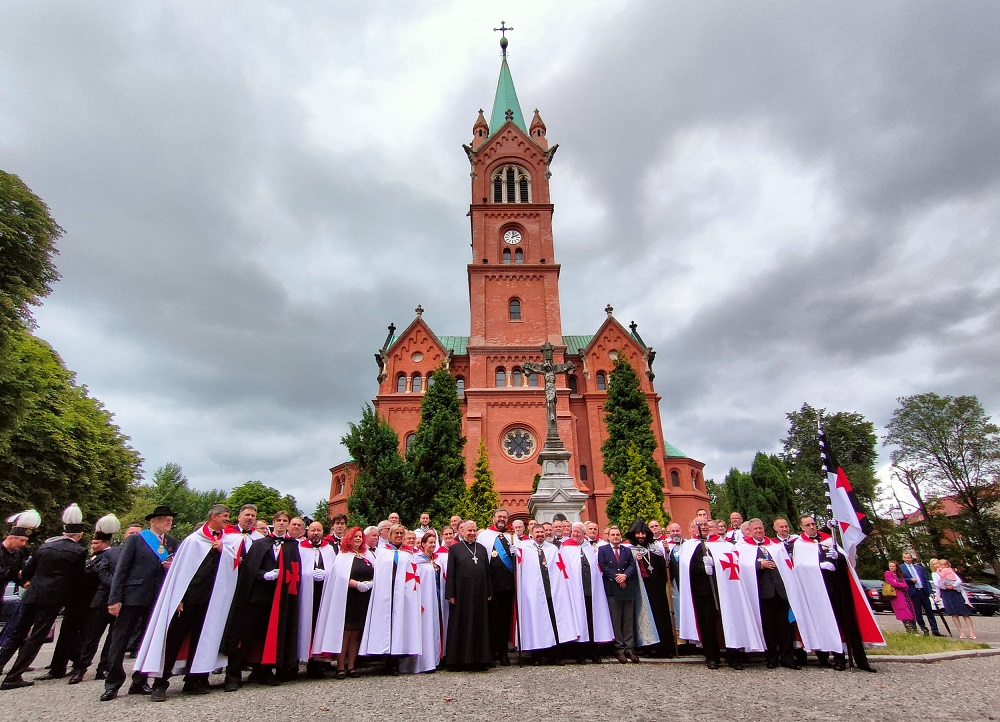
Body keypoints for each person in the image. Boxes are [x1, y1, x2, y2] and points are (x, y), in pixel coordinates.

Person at [138, 505, 239, 701]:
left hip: (210, 601)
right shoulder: (193, 541)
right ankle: (161, 683)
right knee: (174, 640)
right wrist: (179, 598)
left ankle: (194, 680)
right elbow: (181, 572)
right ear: (214, 517)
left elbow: (233, 564)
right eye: (225, 516)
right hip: (189, 600)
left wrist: (223, 551)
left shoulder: (225, 541)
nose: (228, 520)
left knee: (202, 640)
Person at [0, 504, 88, 690]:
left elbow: (28, 571)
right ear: (78, 536)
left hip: (32, 595)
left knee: (17, 633)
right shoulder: (79, 552)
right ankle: (13, 676)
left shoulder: (45, 547)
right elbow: (78, 579)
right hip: (53, 599)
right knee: (37, 636)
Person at [100, 504, 179, 701]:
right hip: (132, 595)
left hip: (157, 597)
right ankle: (113, 683)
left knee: (148, 640)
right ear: (153, 521)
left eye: (170, 519)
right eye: (164, 518)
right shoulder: (136, 539)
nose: (168, 521)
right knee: (120, 640)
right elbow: (121, 570)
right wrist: (115, 598)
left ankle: (140, 680)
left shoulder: (172, 542)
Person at [222, 510, 301, 689]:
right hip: (257, 597)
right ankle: (233, 675)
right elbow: (249, 570)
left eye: (284, 520)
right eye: (278, 520)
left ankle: (265, 671)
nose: (281, 523)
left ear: (288, 524)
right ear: (274, 522)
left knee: (270, 636)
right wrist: (264, 575)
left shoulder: (291, 546)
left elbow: (296, 572)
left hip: (279, 598)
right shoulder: (259, 543)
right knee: (246, 634)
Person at [791, 516, 878, 672]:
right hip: (817, 590)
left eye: (813, 524)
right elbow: (800, 567)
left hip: (836, 586)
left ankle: (860, 660)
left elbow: (846, 558)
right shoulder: (800, 544)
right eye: (808, 525)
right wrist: (818, 565)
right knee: (828, 623)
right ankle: (838, 658)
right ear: (802, 527)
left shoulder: (828, 538)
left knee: (846, 621)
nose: (811, 527)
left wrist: (839, 556)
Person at [312, 526, 374, 678]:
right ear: (349, 539)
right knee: (345, 632)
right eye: (355, 536)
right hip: (347, 598)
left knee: (356, 633)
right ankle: (340, 666)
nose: (358, 539)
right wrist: (356, 584)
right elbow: (339, 577)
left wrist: (370, 584)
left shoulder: (368, 555)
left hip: (363, 598)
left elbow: (378, 572)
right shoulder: (342, 556)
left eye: (360, 537)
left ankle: (351, 666)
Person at [359, 523, 420, 674]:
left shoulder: (408, 554)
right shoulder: (383, 553)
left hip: (402, 597)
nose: (399, 536)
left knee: (399, 624)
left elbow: (412, 576)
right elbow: (379, 573)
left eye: (401, 533)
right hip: (385, 595)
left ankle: (395, 661)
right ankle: (385, 659)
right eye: (396, 533)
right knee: (385, 624)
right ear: (390, 535)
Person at [738, 519, 800, 669]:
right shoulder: (743, 547)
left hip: (780, 591)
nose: (758, 531)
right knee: (768, 628)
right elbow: (741, 566)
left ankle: (787, 658)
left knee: (785, 627)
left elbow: (786, 564)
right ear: (750, 531)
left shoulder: (775, 546)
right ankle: (771, 658)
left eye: (760, 528)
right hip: (762, 593)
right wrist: (759, 565)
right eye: (755, 529)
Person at [69, 515, 123, 684]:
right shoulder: (103, 556)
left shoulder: (117, 554)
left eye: (95, 543)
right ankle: (81, 668)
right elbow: (102, 573)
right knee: (91, 637)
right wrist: (117, 585)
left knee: (112, 638)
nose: (93, 546)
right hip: (101, 601)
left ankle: (103, 668)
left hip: (118, 600)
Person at [517, 523, 579, 664]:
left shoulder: (552, 549)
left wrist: (565, 583)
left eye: (542, 532)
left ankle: (554, 655)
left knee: (554, 621)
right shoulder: (524, 548)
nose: (540, 535)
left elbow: (560, 566)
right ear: (531, 533)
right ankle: (537, 655)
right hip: (534, 592)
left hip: (552, 591)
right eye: (537, 532)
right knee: (537, 622)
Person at [560, 522, 613, 663]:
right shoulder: (565, 548)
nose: (575, 534)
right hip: (575, 590)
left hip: (592, 589)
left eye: (578, 532)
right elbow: (564, 568)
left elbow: (595, 567)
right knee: (580, 620)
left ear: (584, 533)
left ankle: (593, 651)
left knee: (592, 619)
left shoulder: (588, 547)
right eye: (573, 531)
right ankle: (580, 654)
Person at [445, 520, 492, 670]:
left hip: (480, 593)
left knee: (480, 625)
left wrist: (489, 591)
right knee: (461, 624)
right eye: (469, 531)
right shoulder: (455, 549)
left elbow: (487, 571)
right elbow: (451, 572)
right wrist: (450, 593)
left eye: (474, 531)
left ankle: (480, 660)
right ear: (462, 531)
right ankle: (459, 661)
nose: (472, 533)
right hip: (461, 593)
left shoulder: (482, 549)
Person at [626, 519, 673, 657]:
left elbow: (666, 570)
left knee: (661, 616)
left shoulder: (657, 549)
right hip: (641, 589)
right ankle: (646, 647)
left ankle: (664, 648)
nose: (640, 536)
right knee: (644, 616)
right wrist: (636, 560)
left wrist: (667, 553)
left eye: (643, 533)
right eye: (637, 534)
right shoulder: (630, 551)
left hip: (657, 589)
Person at [401, 531, 444, 674]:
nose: (432, 545)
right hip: (424, 600)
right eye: (429, 542)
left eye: (434, 542)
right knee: (424, 629)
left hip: (437, 599)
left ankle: (435, 659)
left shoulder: (438, 560)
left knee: (436, 627)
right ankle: (424, 662)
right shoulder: (417, 561)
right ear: (423, 544)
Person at [477, 509, 516, 666]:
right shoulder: (484, 536)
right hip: (491, 584)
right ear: (493, 518)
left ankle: (503, 652)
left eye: (504, 517)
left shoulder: (511, 537)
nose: (502, 519)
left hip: (508, 585)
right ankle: (491, 651)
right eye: (499, 517)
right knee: (492, 619)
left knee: (505, 619)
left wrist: (517, 553)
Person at [0, 511, 39, 662]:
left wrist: (25, 582)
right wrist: (17, 574)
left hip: (3, 594)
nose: (23, 544)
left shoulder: (18, 554)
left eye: (25, 541)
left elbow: (20, 573)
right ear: (10, 538)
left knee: (16, 626)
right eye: (21, 540)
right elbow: (8, 572)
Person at [298, 520, 336, 677]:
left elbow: (335, 570)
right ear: (308, 532)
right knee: (306, 624)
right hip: (306, 594)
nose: (315, 533)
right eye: (312, 530)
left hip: (323, 592)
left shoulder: (329, 549)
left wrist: (325, 574)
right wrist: (308, 574)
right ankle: (302, 659)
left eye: (318, 530)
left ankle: (317, 663)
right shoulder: (300, 548)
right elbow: (298, 569)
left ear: (323, 531)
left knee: (321, 625)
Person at [597, 525, 638, 663]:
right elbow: (603, 566)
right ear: (608, 536)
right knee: (616, 619)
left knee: (628, 619)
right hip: (612, 588)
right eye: (613, 534)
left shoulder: (626, 550)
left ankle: (629, 648)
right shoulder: (603, 550)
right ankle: (619, 649)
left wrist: (625, 576)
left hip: (627, 587)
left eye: (617, 534)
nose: (615, 537)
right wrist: (617, 577)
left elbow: (632, 565)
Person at [901, 552, 942, 636]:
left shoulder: (919, 568)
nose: (907, 559)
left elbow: (926, 580)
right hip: (913, 592)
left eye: (909, 558)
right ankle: (924, 629)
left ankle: (935, 630)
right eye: (905, 558)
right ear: (903, 558)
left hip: (923, 591)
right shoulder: (901, 568)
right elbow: (900, 579)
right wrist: (910, 580)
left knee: (929, 611)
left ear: (911, 558)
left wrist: (930, 591)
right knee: (918, 612)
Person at [935, 559, 976, 640]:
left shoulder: (951, 572)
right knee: (954, 614)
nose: (942, 566)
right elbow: (937, 585)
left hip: (956, 592)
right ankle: (961, 632)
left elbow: (959, 581)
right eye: (941, 564)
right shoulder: (936, 573)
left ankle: (971, 632)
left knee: (965, 613)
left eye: (944, 564)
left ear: (947, 565)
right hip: (946, 594)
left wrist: (953, 585)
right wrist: (938, 596)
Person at [884, 561, 917, 634]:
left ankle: (914, 629)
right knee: (903, 611)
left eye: (893, 566)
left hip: (904, 595)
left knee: (910, 610)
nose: (891, 568)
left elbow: (905, 585)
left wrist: (902, 585)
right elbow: (894, 583)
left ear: (896, 567)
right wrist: (902, 585)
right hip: (897, 595)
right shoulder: (888, 573)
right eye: (890, 566)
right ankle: (908, 629)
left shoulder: (899, 575)